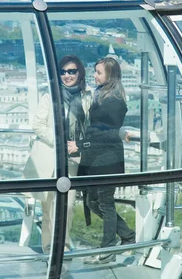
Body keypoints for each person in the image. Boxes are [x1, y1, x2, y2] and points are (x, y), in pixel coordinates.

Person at [24, 55, 93, 253]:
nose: (67, 75)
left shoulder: (88, 96)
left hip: (73, 158)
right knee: (48, 207)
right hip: (50, 157)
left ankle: (62, 245)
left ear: (80, 72)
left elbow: (93, 125)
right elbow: (38, 124)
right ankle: (49, 248)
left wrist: (78, 144)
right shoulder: (50, 96)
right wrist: (60, 142)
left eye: (71, 71)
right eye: (63, 72)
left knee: (67, 206)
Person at [79, 57, 135, 265]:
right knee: (93, 202)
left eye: (99, 72)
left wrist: (82, 143)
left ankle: (108, 248)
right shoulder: (101, 95)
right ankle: (127, 235)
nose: (94, 75)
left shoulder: (114, 101)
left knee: (104, 203)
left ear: (110, 75)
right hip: (97, 157)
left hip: (107, 159)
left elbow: (109, 133)